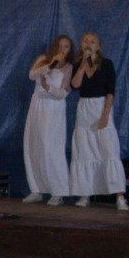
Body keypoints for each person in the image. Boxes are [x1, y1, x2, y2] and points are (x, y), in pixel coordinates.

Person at [69, 32, 128, 210]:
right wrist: (82, 65)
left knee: (109, 150)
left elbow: (111, 92)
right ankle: (85, 194)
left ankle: (119, 197)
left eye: (92, 41)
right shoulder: (78, 64)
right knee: (84, 151)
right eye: (85, 41)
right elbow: (75, 85)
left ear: (99, 46)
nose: (88, 44)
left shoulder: (107, 64)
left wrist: (104, 116)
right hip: (84, 108)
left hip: (101, 107)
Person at [23, 35, 75, 206]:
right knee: (33, 146)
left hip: (54, 109)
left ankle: (58, 192)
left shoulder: (69, 68)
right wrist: (50, 65)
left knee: (51, 148)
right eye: (60, 45)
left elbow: (63, 93)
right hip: (37, 105)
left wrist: (48, 88)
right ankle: (36, 190)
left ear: (70, 50)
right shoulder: (44, 59)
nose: (62, 49)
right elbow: (32, 75)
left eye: (66, 46)